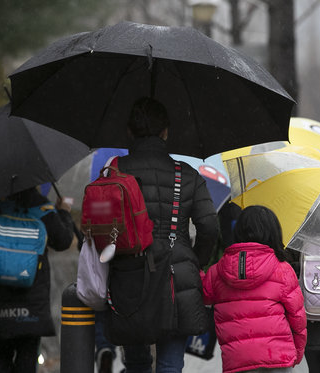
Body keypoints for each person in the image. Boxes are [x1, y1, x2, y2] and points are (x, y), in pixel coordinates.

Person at [113, 96, 219, 373]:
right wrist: (195, 261)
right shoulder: (187, 175)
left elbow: (100, 228)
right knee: (171, 364)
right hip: (178, 277)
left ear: (128, 131)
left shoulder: (115, 171)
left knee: (136, 363)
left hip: (129, 278)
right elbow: (209, 226)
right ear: (166, 132)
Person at [0, 187, 75, 373]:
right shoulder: (41, 208)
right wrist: (63, 212)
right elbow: (62, 241)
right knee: (27, 358)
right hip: (31, 299)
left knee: (3, 359)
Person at [202, 205, 307, 373]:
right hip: (278, 358)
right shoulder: (282, 269)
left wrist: (196, 269)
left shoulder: (217, 271)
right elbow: (298, 318)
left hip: (237, 360)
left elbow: (204, 296)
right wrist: (298, 352)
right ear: (273, 233)